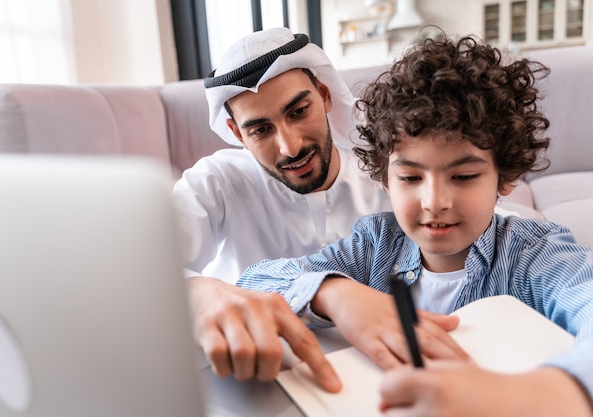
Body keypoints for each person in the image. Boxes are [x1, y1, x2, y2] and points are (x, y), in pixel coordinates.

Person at [237, 33, 593, 415]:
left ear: (504, 177)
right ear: (385, 180)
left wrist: (548, 396)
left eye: (463, 177)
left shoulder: (534, 254)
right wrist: (334, 294)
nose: (434, 202)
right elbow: (254, 283)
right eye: (410, 178)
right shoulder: (373, 245)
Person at [173, 27, 467, 390]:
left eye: (298, 111)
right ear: (237, 135)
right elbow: (135, 265)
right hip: (257, 377)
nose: (290, 146)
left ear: (324, 96)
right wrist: (200, 291)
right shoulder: (218, 179)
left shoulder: (388, 175)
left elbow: (489, 227)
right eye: (261, 130)